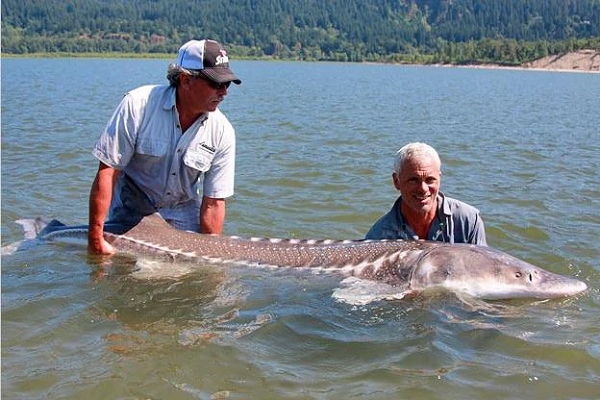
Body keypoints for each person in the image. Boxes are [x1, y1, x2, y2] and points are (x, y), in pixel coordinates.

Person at [88, 39, 242, 255]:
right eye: (216, 84)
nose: (224, 92)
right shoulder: (137, 105)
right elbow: (108, 171)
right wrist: (95, 236)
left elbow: (214, 203)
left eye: (227, 84)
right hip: (132, 211)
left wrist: (211, 259)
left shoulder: (223, 131)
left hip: (183, 213)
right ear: (186, 80)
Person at [365, 142, 487, 245]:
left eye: (430, 180)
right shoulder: (378, 237)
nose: (423, 189)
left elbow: (484, 270)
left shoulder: (468, 221)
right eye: (413, 180)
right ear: (397, 181)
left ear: (439, 179)